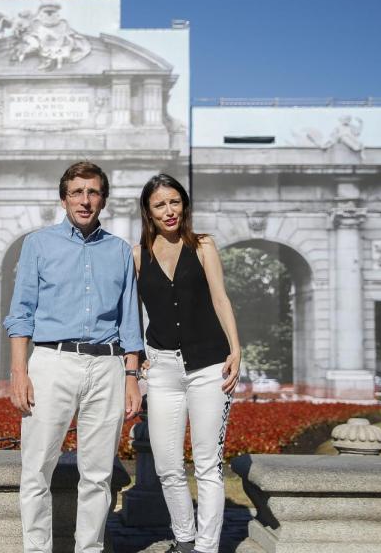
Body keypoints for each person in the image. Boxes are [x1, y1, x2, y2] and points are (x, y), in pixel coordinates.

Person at [4, 161, 144, 553]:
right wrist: (19, 371)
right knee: (36, 469)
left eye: (93, 192)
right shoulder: (38, 244)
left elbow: (130, 319)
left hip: (107, 367)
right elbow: (22, 312)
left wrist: (132, 376)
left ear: (104, 199)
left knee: (98, 474)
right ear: (64, 198)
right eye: (77, 192)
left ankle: (90, 549)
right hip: (52, 362)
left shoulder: (118, 251)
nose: (85, 200)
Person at [133, 173, 241, 553]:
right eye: (160, 204)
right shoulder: (137, 254)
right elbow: (131, 313)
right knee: (167, 465)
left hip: (210, 366)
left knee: (208, 466)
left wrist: (236, 349)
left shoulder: (204, 245)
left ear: (184, 205)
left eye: (175, 201)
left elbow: (220, 299)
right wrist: (137, 359)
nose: (169, 210)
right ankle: (184, 539)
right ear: (148, 211)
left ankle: (206, 548)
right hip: (162, 370)